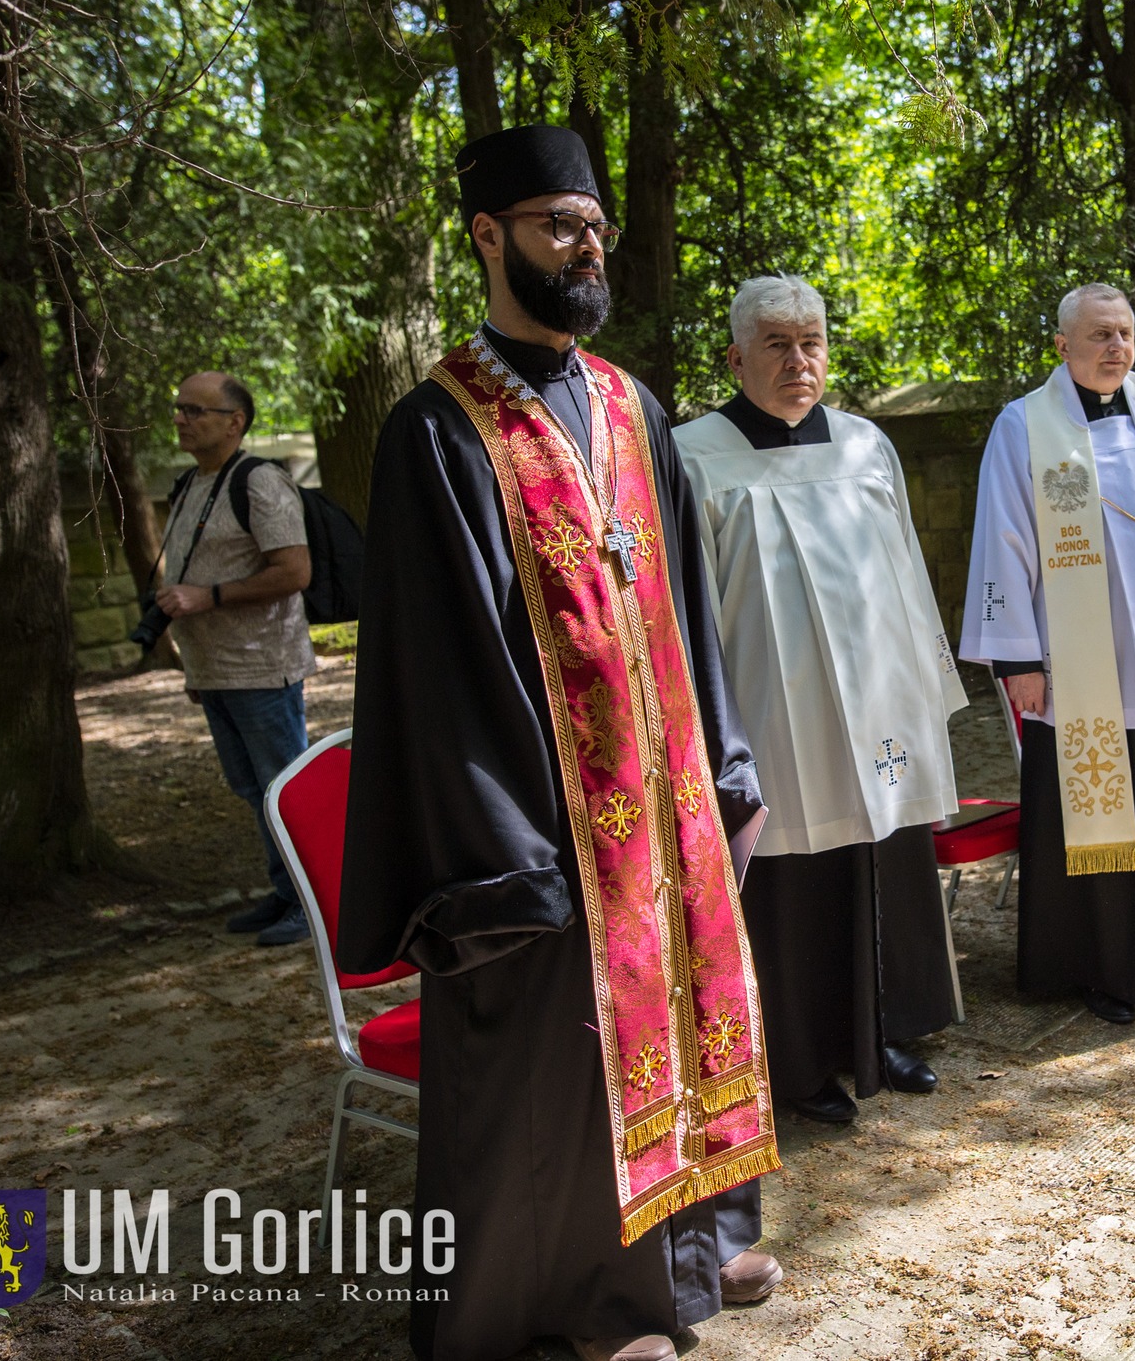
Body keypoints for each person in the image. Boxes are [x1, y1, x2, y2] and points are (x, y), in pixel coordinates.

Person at [335, 125, 782, 1361]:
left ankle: (698, 1243)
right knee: (570, 1067)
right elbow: (437, 666)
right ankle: (597, 1303)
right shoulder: (439, 429)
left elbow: (690, 605)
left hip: (668, 800)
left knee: (695, 1016)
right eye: (553, 226)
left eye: (592, 226)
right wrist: (506, 848)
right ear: (488, 236)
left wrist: (725, 764)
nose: (582, 248)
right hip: (542, 819)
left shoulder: (633, 405)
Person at [675, 275, 966, 1124]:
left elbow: (908, 572)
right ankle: (796, 1064)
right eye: (776, 343)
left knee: (877, 868)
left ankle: (881, 1034)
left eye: (811, 342)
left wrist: (927, 692)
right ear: (735, 357)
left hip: (879, 710)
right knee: (792, 891)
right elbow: (688, 607)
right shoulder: (693, 454)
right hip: (770, 716)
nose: (798, 360)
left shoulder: (868, 445)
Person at [959, 283, 1135, 1025]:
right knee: (1092, 807)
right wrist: (1017, 660)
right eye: (1100, 335)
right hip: (1075, 664)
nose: (1116, 347)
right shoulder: (1025, 426)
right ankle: (1098, 964)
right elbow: (1003, 542)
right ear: (1062, 346)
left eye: (1125, 333)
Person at [154, 372, 315, 947]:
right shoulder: (189, 484)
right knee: (252, 787)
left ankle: (313, 903)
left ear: (234, 421)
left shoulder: (260, 483)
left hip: (261, 666)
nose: (180, 418)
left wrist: (208, 598)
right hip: (216, 668)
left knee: (283, 787)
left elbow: (295, 572)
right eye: (178, 407)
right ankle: (286, 891)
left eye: (195, 409)